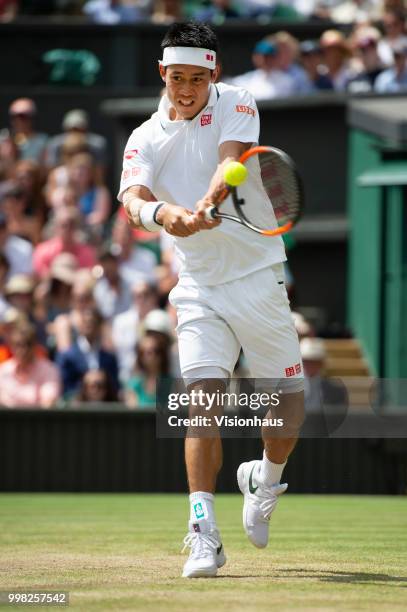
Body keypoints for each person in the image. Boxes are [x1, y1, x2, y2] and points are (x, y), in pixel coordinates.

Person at [119, 22, 304, 578]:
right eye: (177, 79)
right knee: (202, 398)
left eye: (197, 79)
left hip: (257, 274)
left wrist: (203, 202)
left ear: (214, 74)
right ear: (162, 74)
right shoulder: (143, 137)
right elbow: (132, 199)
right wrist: (162, 214)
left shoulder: (238, 101)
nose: (186, 89)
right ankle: (204, 533)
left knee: (288, 403)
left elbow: (232, 161)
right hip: (198, 286)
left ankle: (265, 478)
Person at [0, 321, 61, 408]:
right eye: (18, 345)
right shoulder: (3, 371)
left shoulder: (48, 370)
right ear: (11, 346)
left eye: (27, 344)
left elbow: (48, 404)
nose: (22, 350)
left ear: (34, 346)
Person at [33, 207, 96, 278]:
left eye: (72, 225)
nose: (68, 229)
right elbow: (40, 276)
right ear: (56, 227)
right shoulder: (43, 251)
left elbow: (90, 277)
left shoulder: (87, 253)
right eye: (64, 225)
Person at [7, 98, 48, 163]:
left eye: (23, 117)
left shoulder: (42, 141)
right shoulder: (4, 139)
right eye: (14, 117)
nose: (18, 121)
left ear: (32, 118)